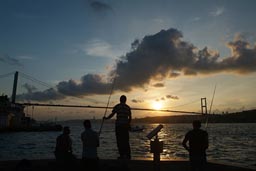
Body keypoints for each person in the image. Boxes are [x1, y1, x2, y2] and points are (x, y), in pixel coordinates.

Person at [103, 95, 132, 159]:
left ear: (120, 100)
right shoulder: (128, 107)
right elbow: (130, 117)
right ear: (125, 100)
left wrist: (106, 118)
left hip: (119, 126)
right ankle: (128, 155)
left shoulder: (117, 106)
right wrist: (128, 124)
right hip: (125, 126)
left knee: (119, 141)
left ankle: (122, 155)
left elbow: (112, 114)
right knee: (126, 141)